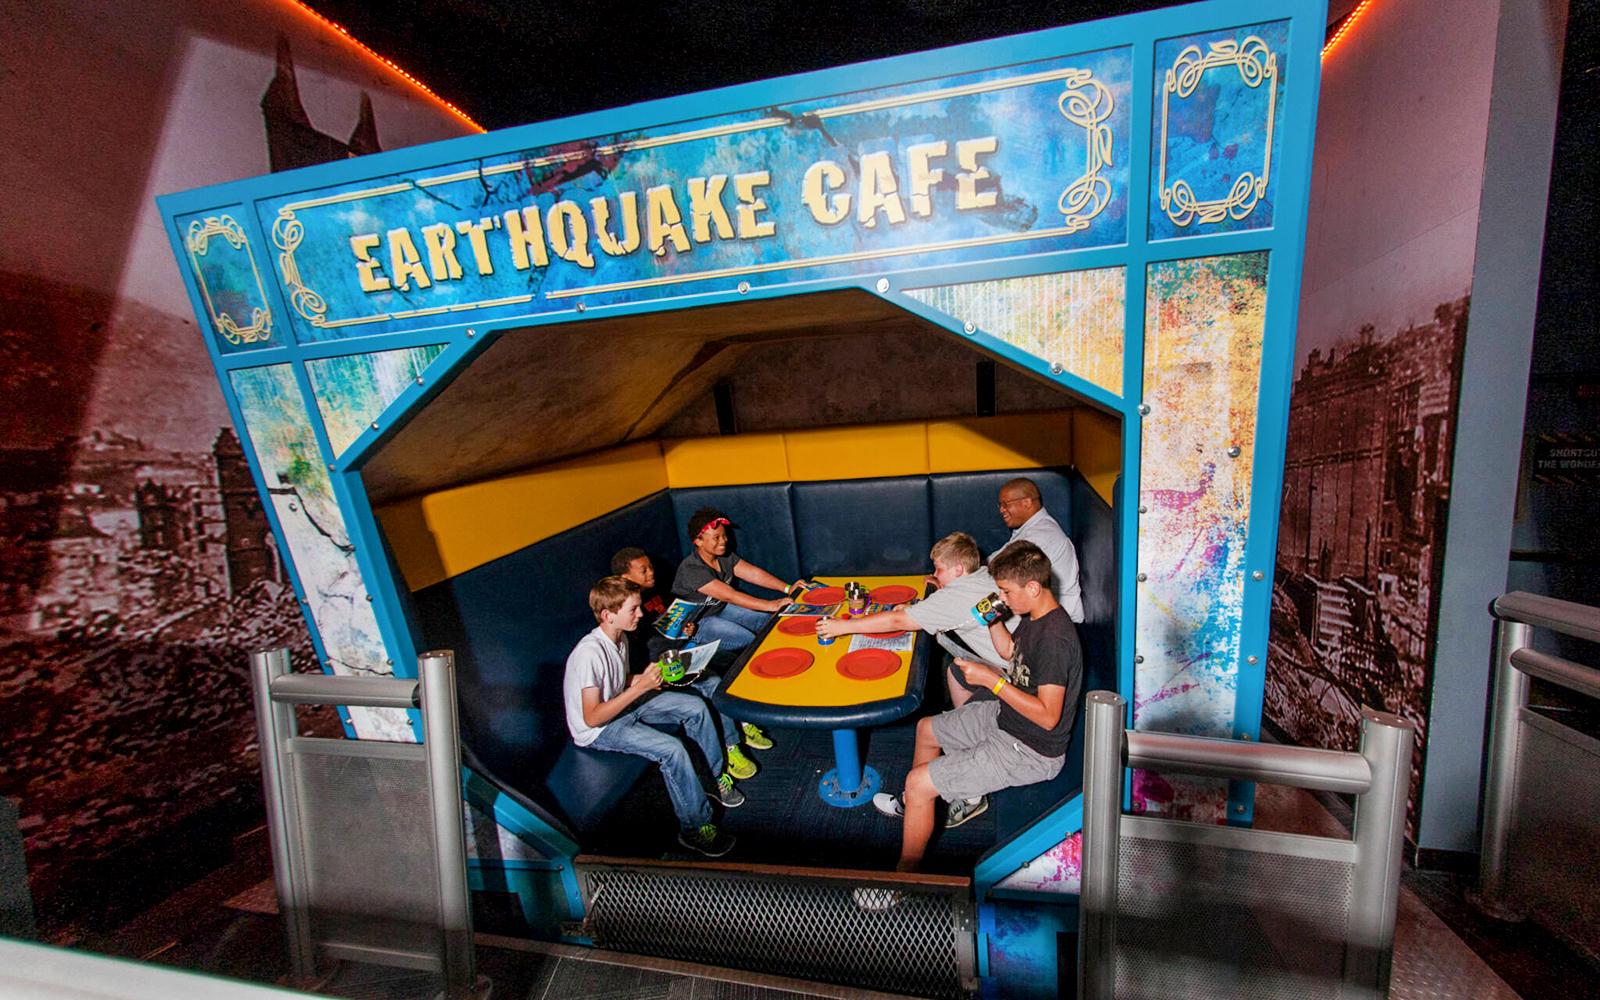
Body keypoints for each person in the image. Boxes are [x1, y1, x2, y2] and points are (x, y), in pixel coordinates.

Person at [869, 541, 1083, 875]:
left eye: (1006, 592)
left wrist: (992, 682)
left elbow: (1048, 715)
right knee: (927, 729)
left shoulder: (1056, 639)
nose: (1003, 598)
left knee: (918, 781)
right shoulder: (1035, 615)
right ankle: (917, 806)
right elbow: (1011, 653)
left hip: (1030, 750)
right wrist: (993, 619)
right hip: (1006, 720)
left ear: (1033, 587)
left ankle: (904, 877)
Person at [563, 575, 745, 857]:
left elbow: (618, 682)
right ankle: (694, 829)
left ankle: (713, 780)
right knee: (672, 750)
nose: (642, 613)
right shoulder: (589, 653)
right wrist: (642, 688)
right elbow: (592, 717)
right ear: (608, 615)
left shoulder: (619, 638)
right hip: (599, 730)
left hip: (621, 704)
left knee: (695, 708)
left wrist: (646, 678)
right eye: (633, 609)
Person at [612, 547, 774, 769]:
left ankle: (744, 722)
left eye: (650, 567)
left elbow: (675, 619)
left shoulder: (657, 591)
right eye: (643, 570)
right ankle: (731, 746)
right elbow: (640, 656)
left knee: (729, 661)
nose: (651, 572)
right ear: (625, 578)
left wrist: (686, 628)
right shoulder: (624, 613)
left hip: (683, 648)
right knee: (712, 682)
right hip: (661, 667)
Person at [815, 532, 1017, 689]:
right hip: (1022, 654)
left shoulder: (953, 598)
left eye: (939, 569)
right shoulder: (983, 573)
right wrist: (917, 609)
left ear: (957, 570)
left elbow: (897, 621)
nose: (934, 574)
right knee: (955, 671)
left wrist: (842, 627)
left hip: (1015, 672)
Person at [670, 506, 807, 654]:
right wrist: (771, 604)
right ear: (698, 541)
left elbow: (753, 573)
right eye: (716, 537)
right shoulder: (691, 569)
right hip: (696, 623)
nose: (723, 541)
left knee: (766, 622)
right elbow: (730, 595)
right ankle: (694, 644)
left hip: (720, 608)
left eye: (724, 535)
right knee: (748, 639)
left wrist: (787, 588)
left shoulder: (724, 556)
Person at [995, 478, 1084, 623]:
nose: (1001, 510)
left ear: (1027, 502)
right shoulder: (1030, 528)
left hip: (1060, 622)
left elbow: (1004, 574)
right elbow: (996, 560)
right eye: (1000, 505)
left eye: (1005, 504)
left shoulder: (1041, 536)